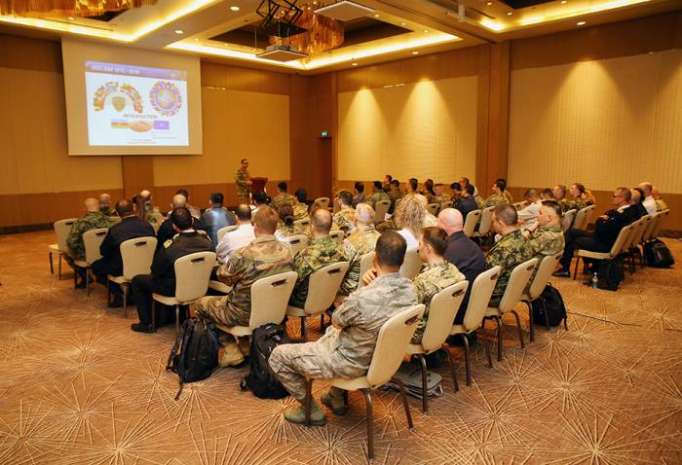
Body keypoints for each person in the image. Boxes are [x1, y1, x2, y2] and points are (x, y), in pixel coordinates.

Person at [269, 231, 418, 425]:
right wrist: (370, 287)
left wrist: (365, 289)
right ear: (402, 260)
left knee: (278, 356)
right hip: (382, 360)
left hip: (350, 364)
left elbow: (337, 320)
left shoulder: (363, 298)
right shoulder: (411, 291)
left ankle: (310, 411)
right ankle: (335, 396)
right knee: (343, 334)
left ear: (375, 257)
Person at [193, 206, 294, 328]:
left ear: (255, 226)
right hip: (276, 307)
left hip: (242, 313)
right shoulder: (288, 251)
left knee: (200, 302)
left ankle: (224, 343)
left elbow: (224, 278)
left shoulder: (243, 255)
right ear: (275, 227)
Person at [363, 227, 465, 345]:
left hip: (417, 333)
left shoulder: (424, 283)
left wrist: (374, 285)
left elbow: (397, 309)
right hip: (441, 328)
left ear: (427, 248)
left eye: (420, 244)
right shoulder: (455, 271)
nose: (418, 248)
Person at [130, 207, 213, 333]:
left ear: (174, 226)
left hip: (174, 289)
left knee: (137, 280)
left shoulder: (171, 247)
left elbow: (156, 269)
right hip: (201, 286)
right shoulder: (207, 243)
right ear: (191, 221)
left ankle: (146, 323)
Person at [556, 187, 635, 277]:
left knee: (574, 240)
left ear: (622, 198)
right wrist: (606, 219)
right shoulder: (628, 210)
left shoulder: (624, 214)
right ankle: (563, 261)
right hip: (604, 238)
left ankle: (565, 267)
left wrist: (601, 220)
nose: (612, 198)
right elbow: (606, 225)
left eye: (614, 196)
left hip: (604, 243)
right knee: (572, 232)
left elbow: (602, 228)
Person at [91, 200, 155, 305]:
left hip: (121, 268)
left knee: (96, 266)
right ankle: (134, 293)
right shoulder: (147, 225)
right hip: (147, 265)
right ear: (134, 209)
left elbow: (104, 251)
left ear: (117, 213)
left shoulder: (115, 230)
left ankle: (119, 294)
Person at [437, 208, 487, 323]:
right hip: (473, 306)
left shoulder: (449, 251)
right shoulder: (473, 246)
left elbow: (436, 286)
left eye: (438, 222)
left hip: (457, 310)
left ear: (443, 226)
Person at [289, 209, 346, 308]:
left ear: (312, 226)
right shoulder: (343, 249)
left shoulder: (306, 255)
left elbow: (294, 282)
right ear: (330, 226)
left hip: (306, 300)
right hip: (332, 293)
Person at [486, 204, 534, 306]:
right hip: (513, 291)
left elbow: (486, 275)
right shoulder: (523, 239)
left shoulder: (504, 249)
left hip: (496, 295)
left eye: (493, 221)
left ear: (501, 223)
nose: (492, 224)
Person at [65, 198, 116, 288]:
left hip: (87, 255)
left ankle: (85, 277)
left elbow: (71, 242)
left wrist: (80, 249)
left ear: (85, 208)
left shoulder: (80, 222)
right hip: (107, 254)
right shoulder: (111, 220)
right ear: (99, 206)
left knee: (66, 252)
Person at [338, 203, 380, 298]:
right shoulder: (380, 237)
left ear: (354, 219)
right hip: (374, 284)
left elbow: (341, 269)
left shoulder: (351, 242)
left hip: (352, 290)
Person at [524, 201, 565, 279]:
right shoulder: (558, 231)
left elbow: (519, 249)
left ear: (548, 218)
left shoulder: (546, 237)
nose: (537, 216)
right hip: (536, 274)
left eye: (540, 213)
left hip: (528, 276)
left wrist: (529, 230)